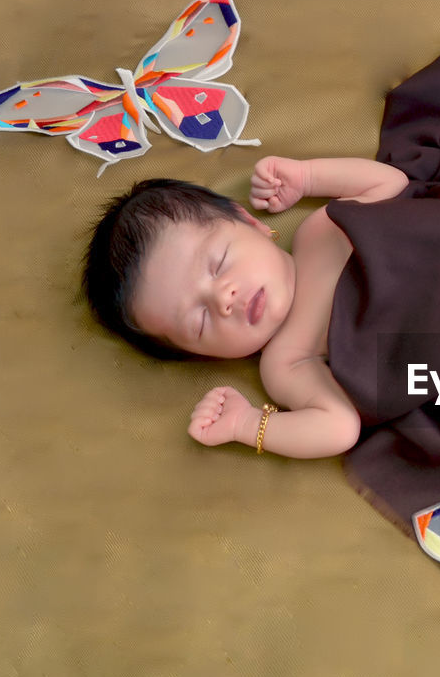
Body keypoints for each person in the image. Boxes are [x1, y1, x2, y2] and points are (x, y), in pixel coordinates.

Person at [82, 156, 408, 458]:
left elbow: (390, 184)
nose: (224, 298)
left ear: (250, 223)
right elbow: (338, 428)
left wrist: (307, 177)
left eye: (220, 264)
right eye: (200, 320)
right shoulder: (287, 362)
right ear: (205, 356)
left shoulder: (321, 231)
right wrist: (245, 425)